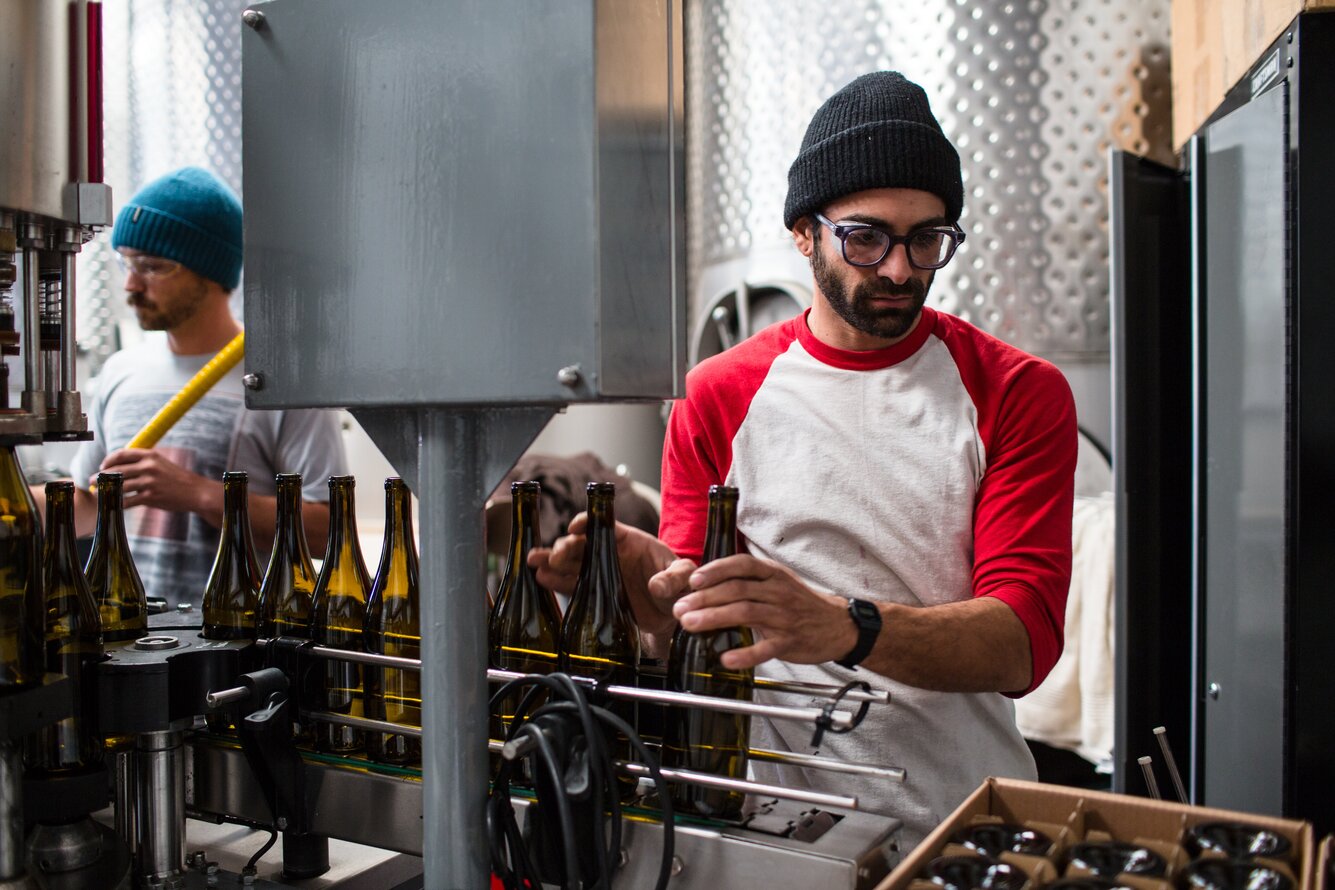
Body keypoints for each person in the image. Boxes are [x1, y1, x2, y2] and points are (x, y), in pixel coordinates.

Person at [533, 72, 1076, 848]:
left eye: (926, 239)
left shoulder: (1015, 390)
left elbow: (1023, 641)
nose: (899, 269)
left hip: (954, 824)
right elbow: (697, 624)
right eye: (865, 237)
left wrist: (845, 628)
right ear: (803, 233)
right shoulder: (718, 392)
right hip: (772, 826)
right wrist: (641, 581)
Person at [39, 167, 347, 607]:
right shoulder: (120, 372)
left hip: (239, 637)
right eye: (127, 262)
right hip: (132, 632)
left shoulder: (282, 382)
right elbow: (89, 504)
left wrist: (199, 494)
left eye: (153, 266)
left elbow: (326, 533)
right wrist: (21, 507)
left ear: (211, 272)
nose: (130, 284)